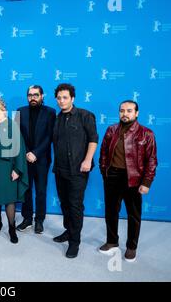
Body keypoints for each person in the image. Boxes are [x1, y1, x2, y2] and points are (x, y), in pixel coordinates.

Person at [98, 100, 157, 262]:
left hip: (134, 178)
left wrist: (146, 182)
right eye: (122, 111)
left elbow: (151, 160)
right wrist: (106, 173)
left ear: (136, 113)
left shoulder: (146, 134)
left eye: (129, 111)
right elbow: (103, 154)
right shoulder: (111, 130)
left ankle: (132, 247)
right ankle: (112, 241)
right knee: (110, 211)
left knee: (133, 214)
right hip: (112, 177)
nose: (125, 114)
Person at [52, 83, 98, 258]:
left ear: (72, 98)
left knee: (75, 205)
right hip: (60, 169)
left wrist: (87, 160)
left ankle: (74, 242)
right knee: (64, 203)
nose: (62, 101)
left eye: (65, 97)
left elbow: (93, 139)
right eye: (59, 98)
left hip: (78, 170)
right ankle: (68, 231)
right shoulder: (57, 119)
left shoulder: (85, 116)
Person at [0, 98, 28, 244]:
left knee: (9, 199)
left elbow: (20, 149)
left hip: (8, 168)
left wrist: (17, 169)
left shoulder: (12, 125)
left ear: (3, 110)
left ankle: (11, 228)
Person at [16, 85, 56, 234]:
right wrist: (27, 153)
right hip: (24, 158)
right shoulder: (20, 111)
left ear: (42, 96)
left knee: (41, 191)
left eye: (36, 95)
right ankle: (27, 219)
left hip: (42, 159)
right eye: (30, 95)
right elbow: (16, 135)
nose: (33, 97)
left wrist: (36, 153)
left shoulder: (50, 112)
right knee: (26, 189)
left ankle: (39, 220)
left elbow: (50, 136)